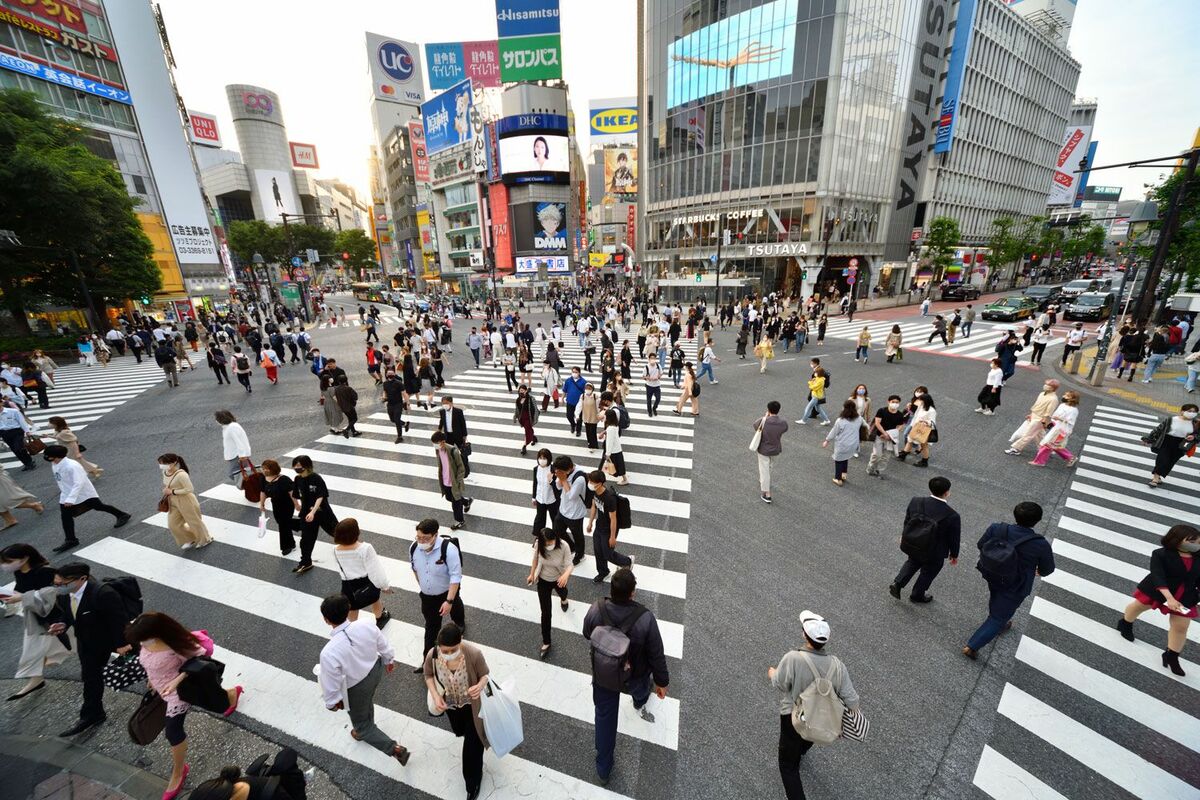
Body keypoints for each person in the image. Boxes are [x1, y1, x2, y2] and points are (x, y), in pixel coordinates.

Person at [126, 613, 243, 800]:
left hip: (178, 692)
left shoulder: (175, 643)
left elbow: (200, 660)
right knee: (216, 702)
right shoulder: (145, 641)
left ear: (156, 632)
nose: (142, 643)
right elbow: (148, 661)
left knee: (173, 731)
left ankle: (178, 772)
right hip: (160, 687)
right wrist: (151, 678)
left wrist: (176, 680)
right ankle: (232, 694)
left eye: (144, 639)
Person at [582, 568, 669, 786]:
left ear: (611, 590)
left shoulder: (596, 609)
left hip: (605, 675)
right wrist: (662, 682)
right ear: (632, 593)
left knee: (604, 718)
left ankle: (603, 768)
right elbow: (656, 653)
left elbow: (586, 632)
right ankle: (639, 700)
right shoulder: (645, 618)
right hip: (635, 676)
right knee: (641, 692)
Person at [768, 610, 860, 800]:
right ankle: (801, 750)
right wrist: (849, 722)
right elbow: (851, 700)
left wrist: (772, 673)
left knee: (787, 766)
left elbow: (780, 683)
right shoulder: (837, 665)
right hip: (820, 717)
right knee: (808, 737)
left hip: (793, 717)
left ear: (804, 635)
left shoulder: (793, 658)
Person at [318, 595, 410, 766]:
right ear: (347, 610)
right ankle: (367, 725)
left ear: (326, 620)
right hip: (375, 671)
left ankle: (394, 748)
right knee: (366, 701)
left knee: (361, 724)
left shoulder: (328, 652)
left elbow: (330, 682)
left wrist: (331, 703)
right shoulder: (366, 624)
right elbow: (382, 643)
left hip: (356, 686)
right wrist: (389, 660)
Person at [962, 502, 1055, 659]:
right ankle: (972, 646)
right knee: (999, 617)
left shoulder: (997, 528)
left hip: (993, 574)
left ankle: (998, 617)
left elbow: (981, 545)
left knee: (996, 595)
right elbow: (1047, 569)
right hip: (1017, 584)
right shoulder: (1040, 544)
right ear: (1037, 520)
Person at [48, 562, 132, 736]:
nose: (58, 588)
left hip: (113, 640)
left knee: (146, 666)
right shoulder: (66, 595)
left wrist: (123, 643)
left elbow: (119, 619)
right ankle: (92, 714)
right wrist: (63, 623)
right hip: (88, 642)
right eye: (56, 584)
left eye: (62, 584)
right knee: (90, 677)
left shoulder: (103, 593)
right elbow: (70, 614)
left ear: (82, 579)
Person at [1116, 524, 1200, 676]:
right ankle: (1125, 623)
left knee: (1181, 626)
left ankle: (1171, 656)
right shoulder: (1161, 554)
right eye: (1192, 542)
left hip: (1185, 596)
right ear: (1177, 540)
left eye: (1198, 542)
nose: (1196, 546)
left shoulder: (1198, 557)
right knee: (1138, 607)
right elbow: (1158, 576)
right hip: (1159, 591)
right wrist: (1169, 598)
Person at [423, 623, 488, 799]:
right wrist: (436, 695)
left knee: (472, 746)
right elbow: (428, 674)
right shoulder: (433, 655)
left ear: (461, 642)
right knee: (460, 731)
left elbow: (485, 675)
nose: (450, 653)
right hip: (451, 705)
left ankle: (472, 782)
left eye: (454, 649)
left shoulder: (473, 654)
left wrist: (480, 685)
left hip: (472, 707)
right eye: (446, 650)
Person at [1, 544, 67, 701]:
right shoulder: (19, 571)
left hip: (59, 617)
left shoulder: (45, 572)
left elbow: (54, 593)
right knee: (33, 648)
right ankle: (36, 679)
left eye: (8, 561)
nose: (4, 565)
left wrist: (22, 598)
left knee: (84, 642)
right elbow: (22, 590)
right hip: (38, 617)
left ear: (24, 558)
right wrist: (10, 596)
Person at [44, 445, 130, 553]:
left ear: (54, 457)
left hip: (83, 493)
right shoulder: (55, 463)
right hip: (66, 494)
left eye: (48, 455)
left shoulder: (72, 466)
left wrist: (70, 499)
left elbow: (78, 483)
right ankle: (71, 539)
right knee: (65, 517)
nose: (46, 457)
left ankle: (122, 515)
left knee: (99, 506)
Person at [889, 477, 961, 602]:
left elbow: (908, 520)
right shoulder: (952, 515)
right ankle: (917, 595)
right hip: (935, 551)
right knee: (928, 572)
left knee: (912, 561)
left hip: (915, 543)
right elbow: (954, 537)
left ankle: (898, 583)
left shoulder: (916, 501)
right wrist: (954, 554)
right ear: (947, 493)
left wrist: (904, 536)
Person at [411, 518, 467, 666]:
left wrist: (449, 601)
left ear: (435, 535)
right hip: (428, 597)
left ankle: (459, 622)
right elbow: (415, 569)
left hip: (447, 592)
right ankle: (427, 662)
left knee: (456, 605)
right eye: (418, 537)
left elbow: (456, 576)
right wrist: (423, 586)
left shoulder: (448, 550)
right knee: (431, 627)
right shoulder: (413, 548)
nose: (421, 541)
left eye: (425, 538)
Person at [332, 519, 391, 627]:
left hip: (347, 584)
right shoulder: (365, 548)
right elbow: (375, 569)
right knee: (374, 599)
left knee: (352, 608)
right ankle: (380, 618)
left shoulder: (335, 549)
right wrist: (384, 586)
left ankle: (351, 630)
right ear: (356, 532)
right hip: (366, 581)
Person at [527, 526, 573, 658]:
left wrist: (566, 575)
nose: (549, 546)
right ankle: (546, 642)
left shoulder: (564, 546)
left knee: (563, 593)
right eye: (546, 544)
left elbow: (570, 564)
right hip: (543, 580)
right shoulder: (538, 544)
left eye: (551, 542)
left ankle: (564, 599)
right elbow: (535, 559)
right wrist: (532, 574)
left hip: (559, 578)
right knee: (546, 613)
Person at [291, 455, 337, 575]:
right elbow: (295, 494)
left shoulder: (316, 478)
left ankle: (353, 548)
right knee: (306, 540)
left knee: (337, 532)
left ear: (307, 466)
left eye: (299, 466)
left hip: (322, 512)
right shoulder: (297, 479)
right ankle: (306, 562)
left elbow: (321, 496)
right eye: (295, 466)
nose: (297, 468)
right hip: (307, 514)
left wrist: (313, 511)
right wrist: (296, 504)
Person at [158, 454, 212, 550]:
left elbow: (190, 489)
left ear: (173, 463)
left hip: (186, 500)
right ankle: (190, 538)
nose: (161, 465)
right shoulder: (165, 472)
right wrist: (168, 490)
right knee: (173, 524)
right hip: (172, 501)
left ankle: (205, 539)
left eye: (164, 463)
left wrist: (172, 491)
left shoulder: (182, 475)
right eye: (161, 463)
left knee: (194, 521)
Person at [587, 470, 632, 582]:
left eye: (593, 482)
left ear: (600, 483)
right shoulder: (595, 491)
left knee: (607, 554)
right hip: (599, 527)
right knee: (598, 551)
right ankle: (603, 572)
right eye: (590, 481)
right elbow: (594, 506)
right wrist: (590, 522)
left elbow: (613, 518)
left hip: (608, 530)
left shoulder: (609, 498)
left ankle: (627, 561)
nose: (590, 484)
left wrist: (612, 536)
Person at [1141, 403, 1199, 487]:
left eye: (1194, 412)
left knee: (1170, 462)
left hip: (1182, 444)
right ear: (1182, 411)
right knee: (1162, 459)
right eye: (1189, 411)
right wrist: (1147, 439)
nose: (1192, 413)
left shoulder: (1196, 423)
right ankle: (1155, 478)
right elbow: (1158, 429)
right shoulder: (1171, 419)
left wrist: (1193, 437)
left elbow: (1198, 435)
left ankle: (1159, 476)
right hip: (1167, 441)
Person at [1005, 379, 1060, 455]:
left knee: (1028, 434)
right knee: (1039, 436)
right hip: (1035, 415)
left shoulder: (1053, 399)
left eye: (1048, 385)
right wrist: (1031, 414)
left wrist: (1044, 423)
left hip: (1040, 419)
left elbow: (1048, 413)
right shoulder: (1042, 393)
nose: (1045, 386)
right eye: (1046, 384)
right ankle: (1046, 450)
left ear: (1053, 388)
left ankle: (1016, 449)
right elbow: (1037, 405)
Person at [1028, 390, 1081, 468]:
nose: (1064, 396)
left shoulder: (1074, 410)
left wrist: (1059, 419)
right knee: (1054, 445)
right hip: (1056, 428)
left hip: (1062, 430)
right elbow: (1054, 416)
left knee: (1048, 444)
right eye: (1065, 394)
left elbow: (1071, 422)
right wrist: (1048, 423)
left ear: (1073, 399)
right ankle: (1071, 458)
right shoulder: (1062, 405)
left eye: (1067, 396)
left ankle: (1040, 461)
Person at [430, 431, 472, 529]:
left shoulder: (453, 451)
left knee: (455, 503)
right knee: (449, 498)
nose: (434, 445)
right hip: (445, 480)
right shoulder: (438, 450)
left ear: (442, 442)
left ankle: (460, 520)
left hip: (454, 481)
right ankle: (466, 502)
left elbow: (461, 467)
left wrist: (457, 481)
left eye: (436, 443)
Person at [552, 455, 588, 566]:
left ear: (568, 468)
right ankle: (572, 547)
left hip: (575, 513)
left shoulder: (580, 478)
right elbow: (558, 487)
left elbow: (572, 496)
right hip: (563, 509)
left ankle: (580, 555)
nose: (558, 472)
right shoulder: (564, 471)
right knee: (557, 530)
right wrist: (560, 478)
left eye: (560, 471)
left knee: (578, 535)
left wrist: (563, 480)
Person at [258, 459, 296, 557]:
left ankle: (287, 546)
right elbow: (263, 491)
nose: (264, 470)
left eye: (266, 469)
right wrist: (261, 504)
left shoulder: (284, 479)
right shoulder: (263, 478)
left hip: (287, 504)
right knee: (282, 523)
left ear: (273, 469)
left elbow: (291, 493)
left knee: (283, 525)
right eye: (263, 469)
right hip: (276, 504)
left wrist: (296, 504)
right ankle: (299, 525)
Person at [753, 401, 788, 503]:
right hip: (775, 449)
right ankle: (765, 481)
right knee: (770, 466)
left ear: (768, 410)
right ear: (778, 410)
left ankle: (766, 493)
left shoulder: (764, 421)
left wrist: (765, 416)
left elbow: (755, 425)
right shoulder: (783, 423)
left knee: (764, 470)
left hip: (764, 449)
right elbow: (785, 429)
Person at [823, 400, 861, 486]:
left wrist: (827, 440)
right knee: (846, 458)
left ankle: (838, 479)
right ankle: (844, 474)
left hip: (843, 444)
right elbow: (865, 425)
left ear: (844, 408)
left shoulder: (840, 420)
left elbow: (834, 431)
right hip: (853, 444)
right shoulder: (859, 418)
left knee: (839, 460)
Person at [897, 394, 937, 467]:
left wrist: (925, 421)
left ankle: (924, 462)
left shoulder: (931, 411)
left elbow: (932, 422)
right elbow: (915, 416)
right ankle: (903, 455)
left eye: (920, 400)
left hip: (924, 430)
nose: (919, 401)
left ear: (925, 401)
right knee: (910, 440)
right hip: (916, 428)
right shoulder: (921, 406)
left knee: (924, 446)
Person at [215, 410, 252, 485]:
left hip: (237, 455)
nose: (216, 421)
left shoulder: (232, 428)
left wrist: (242, 456)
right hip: (235, 455)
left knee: (233, 474)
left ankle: (251, 486)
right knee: (246, 472)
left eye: (217, 418)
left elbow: (239, 442)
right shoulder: (229, 427)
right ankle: (251, 487)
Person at [437, 396, 471, 475]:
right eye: (443, 403)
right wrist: (439, 430)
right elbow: (442, 421)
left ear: (451, 403)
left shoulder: (458, 411)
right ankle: (453, 468)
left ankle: (466, 469)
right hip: (448, 436)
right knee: (449, 452)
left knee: (463, 452)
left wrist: (464, 435)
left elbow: (463, 423)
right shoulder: (442, 411)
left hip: (458, 435)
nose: (444, 405)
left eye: (446, 403)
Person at [0, 401, 36, 471]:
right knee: (14, 449)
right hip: (4, 433)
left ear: (1, 403)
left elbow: (21, 421)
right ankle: (26, 463)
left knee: (18, 447)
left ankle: (29, 462)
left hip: (16, 431)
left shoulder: (13, 411)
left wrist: (27, 431)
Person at [599, 408, 628, 485]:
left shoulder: (610, 428)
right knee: (619, 466)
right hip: (617, 449)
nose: (604, 417)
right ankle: (625, 479)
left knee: (609, 466)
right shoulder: (615, 425)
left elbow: (609, 442)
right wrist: (605, 432)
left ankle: (599, 479)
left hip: (613, 451)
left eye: (605, 416)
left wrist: (608, 454)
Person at [514, 384, 539, 456]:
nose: (520, 392)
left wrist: (535, 419)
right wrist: (515, 416)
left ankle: (524, 446)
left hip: (529, 418)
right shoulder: (518, 399)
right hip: (522, 418)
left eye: (522, 390)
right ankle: (534, 438)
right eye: (519, 391)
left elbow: (535, 410)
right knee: (529, 429)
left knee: (527, 431)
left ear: (526, 391)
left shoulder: (531, 399)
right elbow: (517, 409)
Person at [581, 382, 601, 450]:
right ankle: (589, 443)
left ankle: (594, 445)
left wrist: (600, 415)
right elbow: (579, 406)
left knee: (592, 431)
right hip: (586, 417)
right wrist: (577, 415)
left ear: (592, 389)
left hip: (593, 417)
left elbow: (598, 407)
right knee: (588, 431)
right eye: (586, 388)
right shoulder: (582, 396)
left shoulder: (595, 396)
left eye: (589, 388)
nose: (587, 390)